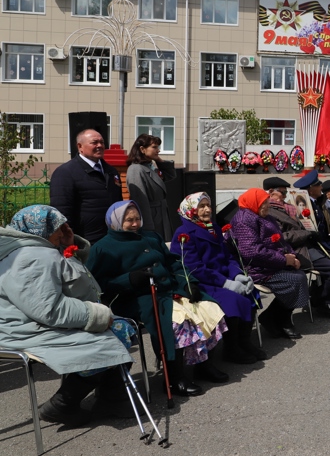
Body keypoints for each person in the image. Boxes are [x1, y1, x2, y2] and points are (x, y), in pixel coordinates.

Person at [0, 205, 133, 426]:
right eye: (58, 228)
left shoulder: (37, 248)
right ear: (39, 228)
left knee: (119, 327)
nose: (63, 232)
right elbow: (49, 309)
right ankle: (64, 404)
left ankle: (109, 398)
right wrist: (95, 314)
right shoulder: (30, 256)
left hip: (36, 322)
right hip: (26, 330)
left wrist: (71, 247)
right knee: (119, 331)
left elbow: (74, 283)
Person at [88, 201, 227, 396]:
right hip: (137, 297)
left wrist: (189, 282)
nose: (135, 224)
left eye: (137, 219)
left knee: (210, 309)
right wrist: (130, 279)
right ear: (115, 222)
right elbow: (97, 285)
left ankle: (203, 364)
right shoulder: (103, 248)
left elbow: (173, 263)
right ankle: (173, 377)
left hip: (170, 289)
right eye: (129, 220)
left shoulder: (152, 237)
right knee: (176, 322)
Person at [172, 192, 266, 364]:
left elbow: (227, 257)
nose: (207, 209)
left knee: (251, 293)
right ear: (191, 209)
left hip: (222, 276)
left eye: (208, 205)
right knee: (233, 299)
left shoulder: (212, 227)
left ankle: (243, 341)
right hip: (202, 282)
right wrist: (226, 283)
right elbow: (194, 268)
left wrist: (237, 275)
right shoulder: (184, 233)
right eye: (202, 206)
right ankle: (232, 348)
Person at [262, 177, 330, 317]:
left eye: (286, 193)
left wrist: (309, 225)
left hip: (310, 245)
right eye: (282, 193)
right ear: (271, 192)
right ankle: (325, 303)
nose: (285, 196)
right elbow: (281, 237)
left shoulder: (288, 207)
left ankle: (320, 295)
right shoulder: (270, 211)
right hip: (298, 250)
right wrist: (306, 233)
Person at [229, 189, 311, 338]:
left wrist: (291, 255)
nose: (267, 205)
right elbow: (251, 252)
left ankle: (275, 317)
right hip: (255, 267)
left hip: (271, 262)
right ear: (255, 203)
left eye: (267, 202)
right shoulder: (243, 220)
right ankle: (280, 320)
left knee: (301, 272)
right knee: (295, 280)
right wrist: (284, 259)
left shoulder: (265, 216)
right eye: (263, 203)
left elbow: (280, 241)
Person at [50, 128, 123, 244]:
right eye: (94, 142)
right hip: (86, 241)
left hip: (112, 238)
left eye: (102, 142)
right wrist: (70, 241)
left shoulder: (111, 171)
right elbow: (62, 211)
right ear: (80, 147)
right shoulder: (65, 172)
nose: (100, 146)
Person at [126, 133, 177, 239]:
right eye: (154, 147)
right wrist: (147, 228)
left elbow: (171, 176)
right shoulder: (136, 169)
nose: (158, 150)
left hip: (161, 216)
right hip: (152, 220)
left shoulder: (150, 166)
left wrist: (159, 160)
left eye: (158, 147)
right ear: (142, 149)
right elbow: (140, 201)